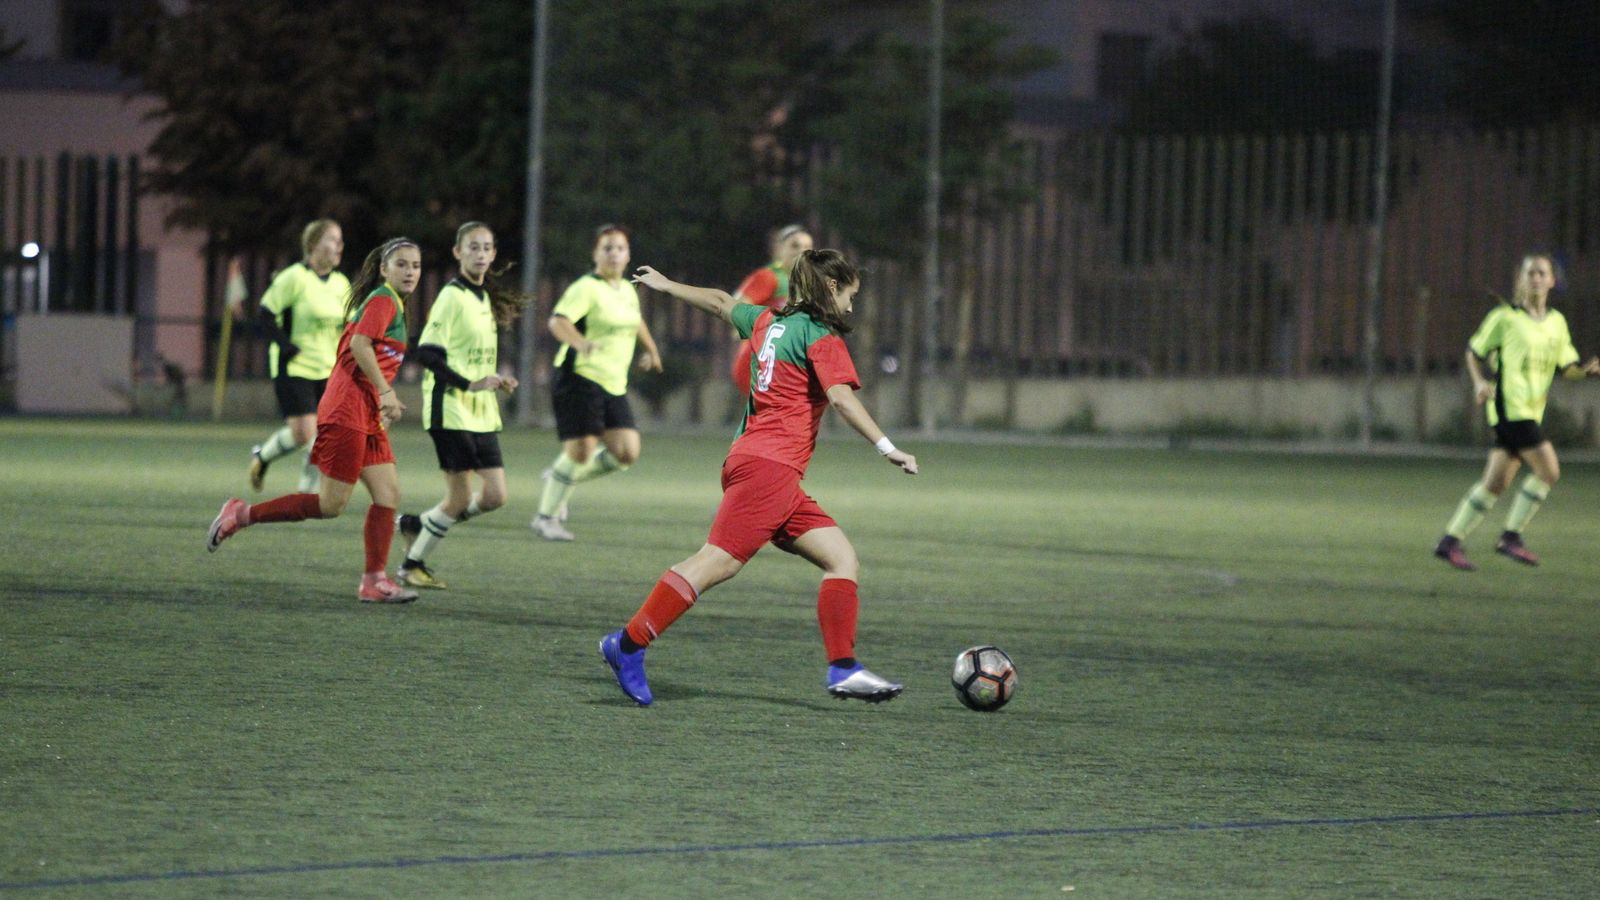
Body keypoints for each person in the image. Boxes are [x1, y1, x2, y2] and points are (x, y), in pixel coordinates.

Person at [600, 249, 918, 707]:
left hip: (762, 467)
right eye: (850, 295)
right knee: (717, 562)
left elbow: (719, 302)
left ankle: (843, 667)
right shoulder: (821, 336)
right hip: (769, 468)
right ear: (831, 289)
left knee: (841, 559)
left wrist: (667, 286)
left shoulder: (770, 321)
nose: (851, 307)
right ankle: (628, 644)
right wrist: (889, 449)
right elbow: (843, 401)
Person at [207, 238, 425, 604]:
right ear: (385, 269)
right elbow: (359, 345)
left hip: (366, 414)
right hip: (347, 411)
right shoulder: (383, 299)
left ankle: (374, 581)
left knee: (388, 494)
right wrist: (386, 392)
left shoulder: (393, 304)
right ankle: (241, 514)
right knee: (329, 505)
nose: (410, 272)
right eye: (401, 264)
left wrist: (381, 399)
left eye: (416, 266)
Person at [1434, 252, 1600, 570]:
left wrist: (1587, 371)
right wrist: (1479, 382)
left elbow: (1567, 368)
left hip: (1530, 412)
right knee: (1549, 470)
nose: (1535, 278)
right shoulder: (1504, 317)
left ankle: (1449, 542)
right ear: (1520, 280)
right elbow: (1474, 351)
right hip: (1510, 408)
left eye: (1541, 273)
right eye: (1530, 273)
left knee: (1494, 484)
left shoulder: (1556, 323)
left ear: (1552, 280)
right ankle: (1510, 538)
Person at [394, 222, 526, 589]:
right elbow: (428, 354)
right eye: (473, 247)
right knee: (460, 496)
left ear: (493, 254)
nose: (480, 254)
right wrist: (469, 383)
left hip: (481, 412)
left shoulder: (483, 298)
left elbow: (471, 358)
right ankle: (411, 564)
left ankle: (418, 525)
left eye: (486, 248)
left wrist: (497, 379)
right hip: (449, 409)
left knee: (496, 495)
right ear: (458, 252)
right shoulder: (451, 296)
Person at [531, 224, 663, 541]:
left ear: (628, 255)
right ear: (596, 254)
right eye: (607, 248)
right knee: (581, 451)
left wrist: (651, 349)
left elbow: (635, 321)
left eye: (620, 248)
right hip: (580, 377)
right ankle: (546, 517)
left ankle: (560, 477)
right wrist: (581, 344)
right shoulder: (586, 287)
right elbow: (557, 321)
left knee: (626, 452)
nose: (614, 253)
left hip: (613, 383)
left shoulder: (627, 290)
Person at [247, 219, 350, 493]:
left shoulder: (341, 284)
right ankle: (267, 460)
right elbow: (265, 314)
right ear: (313, 244)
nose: (339, 245)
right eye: (332, 239)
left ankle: (305, 493)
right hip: (294, 366)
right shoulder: (294, 277)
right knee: (305, 432)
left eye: (340, 240)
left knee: (321, 434)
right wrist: (286, 346)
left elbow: (350, 326)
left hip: (328, 368)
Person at [728, 224, 813, 394]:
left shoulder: (802, 284)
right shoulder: (769, 277)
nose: (801, 252)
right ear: (779, 248)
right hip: (762, 360)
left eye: (807, 247)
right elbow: (735, 308)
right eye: (795, 246)